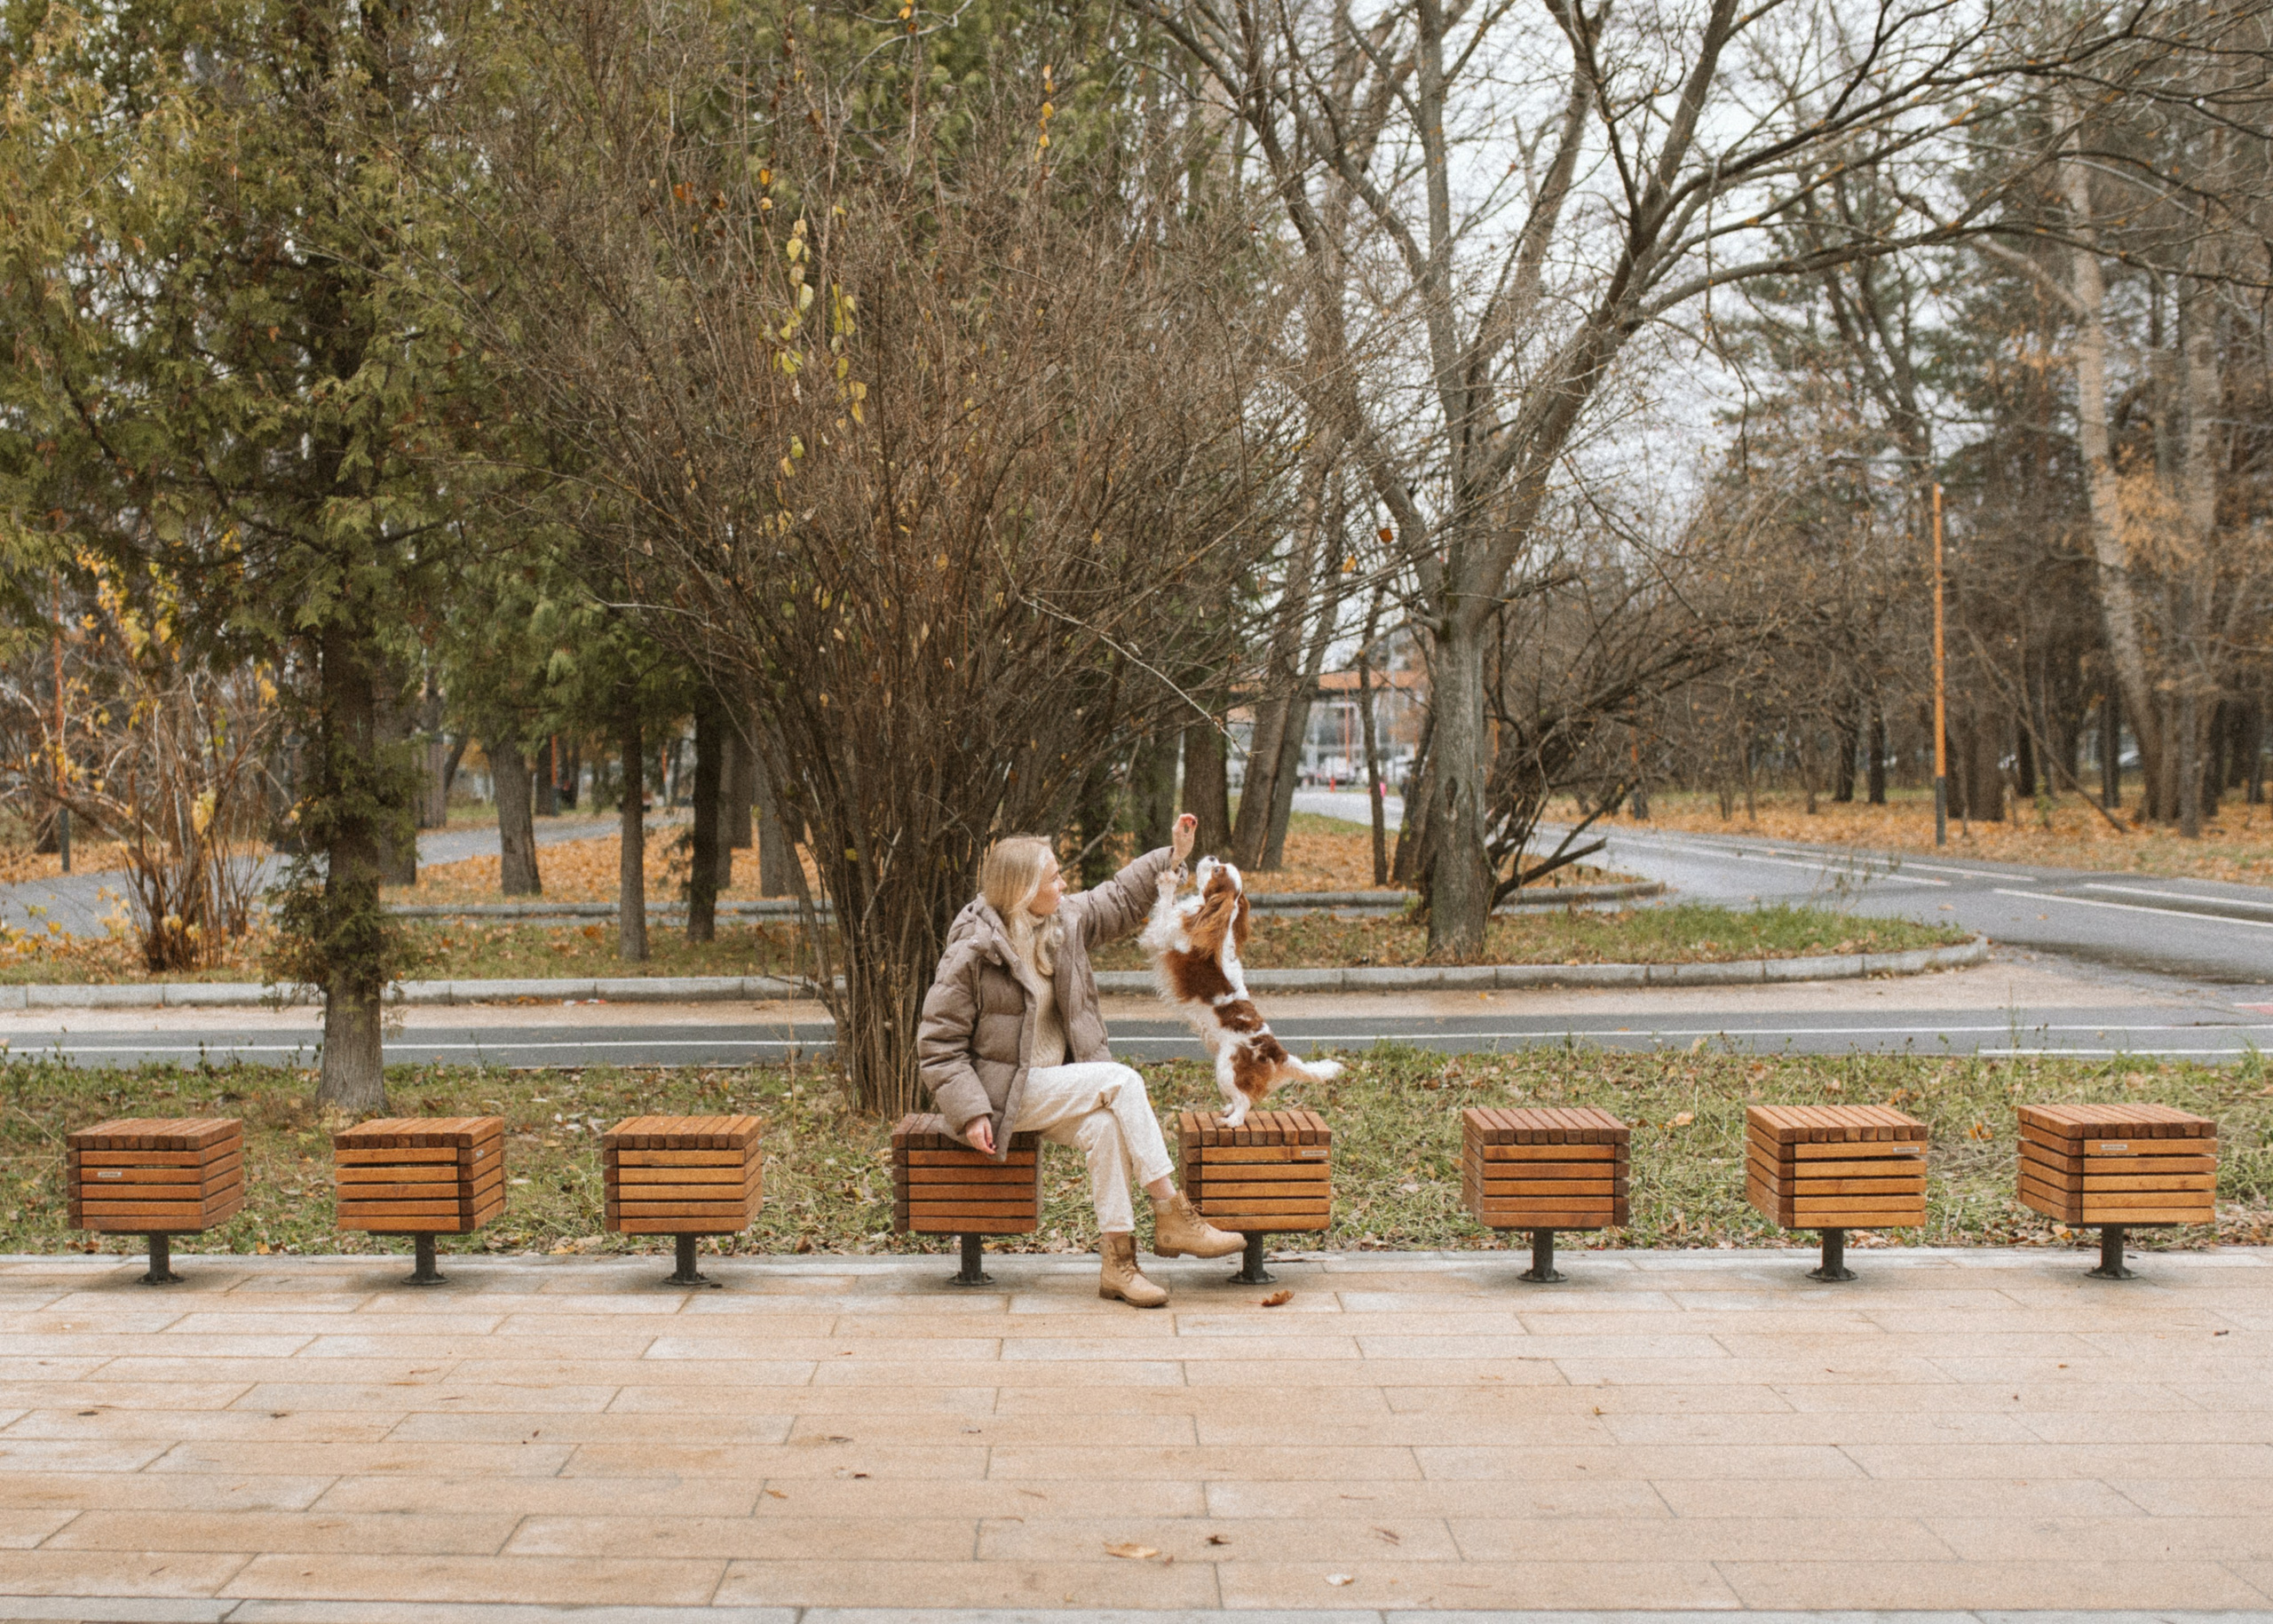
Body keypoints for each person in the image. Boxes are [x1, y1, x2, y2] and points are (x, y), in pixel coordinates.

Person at [917, 812, 1245, 1306]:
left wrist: (1173, 855)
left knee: (1106, 1130)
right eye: (1054, 877)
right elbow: (939, 1045)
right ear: (1025, 888)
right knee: (1123, 1082)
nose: (1064, 883)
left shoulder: (1062, 923)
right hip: (1004, 1096)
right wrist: (971, 1111)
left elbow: (1117, 896)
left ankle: (1119, 1265)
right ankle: (1172, 1211)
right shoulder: (973, 951)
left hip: (1053, 1086)